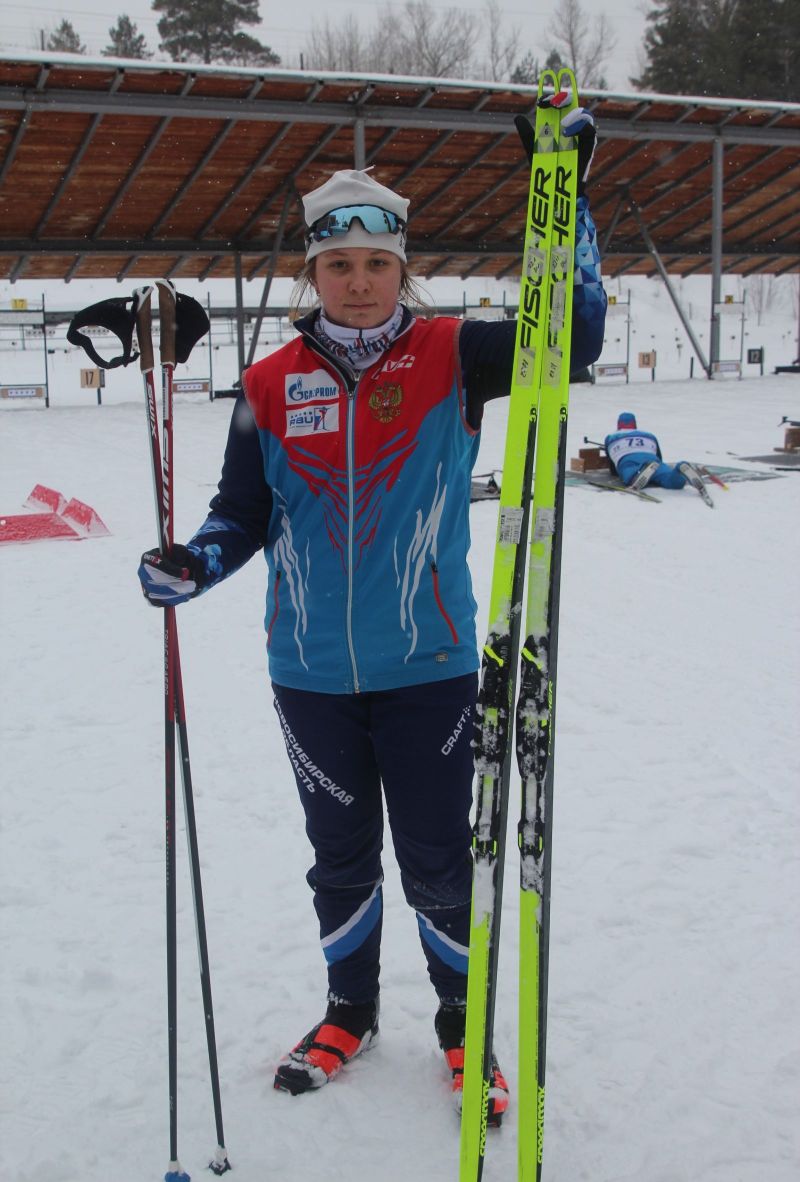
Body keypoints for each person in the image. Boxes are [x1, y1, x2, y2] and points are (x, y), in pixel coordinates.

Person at [138, 110, 607, 1120]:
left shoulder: (455, 353)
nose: (358, 282)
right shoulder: (267, 384)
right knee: (339, 855)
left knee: (437, 857)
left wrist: (565, 203)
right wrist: (194, 562)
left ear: (403, 267)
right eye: (339, 264)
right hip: (308, 672)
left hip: (427, 664)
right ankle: (348, 1010)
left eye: (377, 264)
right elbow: (241, 514)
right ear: (313, 272)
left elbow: (571, 341)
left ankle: (461, 1025)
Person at [604, 412, 703, 491]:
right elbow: (659, 456)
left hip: (628, 458)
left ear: (618, 425)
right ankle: (679, 469)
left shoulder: (611, 437)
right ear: (635, 424)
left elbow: (611, 462)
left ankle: (640, 472)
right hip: (652, 459)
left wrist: (616, 472)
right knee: (668, 479)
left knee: (629, 475)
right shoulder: (649, 435)